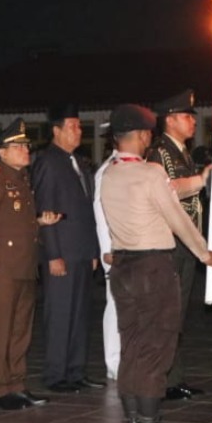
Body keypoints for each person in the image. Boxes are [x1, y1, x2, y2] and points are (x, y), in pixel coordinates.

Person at [99, 104, 212, 423]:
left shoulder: (110, 173)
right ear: (140, 136)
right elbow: (176, 216)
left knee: (133, 348)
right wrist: (204, 253)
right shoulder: (150, 172)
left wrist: (199, 180)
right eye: (148, 133)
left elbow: (163, 191)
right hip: (153, 268)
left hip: (123, 268)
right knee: (156, 350)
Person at [0, 118, 60, 410]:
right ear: (2, 151)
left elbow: (14, 221)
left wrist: (40, 221)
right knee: (1, 329)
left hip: (24, 266)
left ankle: (17, 384)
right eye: (18, 146)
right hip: (2, 268)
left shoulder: (22, 178)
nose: (25, 150)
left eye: (26, 145)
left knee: (21, 329)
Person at [146, 89, 212, 401]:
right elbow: (167, 191)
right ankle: (164, 378)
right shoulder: (161, 152)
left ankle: (174, 376)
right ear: (169, 120)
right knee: (169, 312)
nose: (193, 121)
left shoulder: (182, 152)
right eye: (187, 116)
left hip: (184, 241)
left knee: (179, 312)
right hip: (171, 242)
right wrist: (201, 180)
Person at [31, 103, 102, 392]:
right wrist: (53, 254)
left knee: (80, 314)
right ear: (56, 130)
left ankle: (75, 370)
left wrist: (93, 251)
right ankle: (56, 373)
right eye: (72, 126)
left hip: (82, 251)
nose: (78, 131)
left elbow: (86, 211)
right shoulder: (48, 162)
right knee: (60, 314)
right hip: (62, 252)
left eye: (80, 126)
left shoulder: (78, 163)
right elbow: (45, 210)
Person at [92, 145, 120, 381]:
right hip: (116, 251)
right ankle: (114, 363)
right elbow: (102, 216)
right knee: (116, 306)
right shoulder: (108, 170)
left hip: (131, 249)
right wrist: (107, 251)